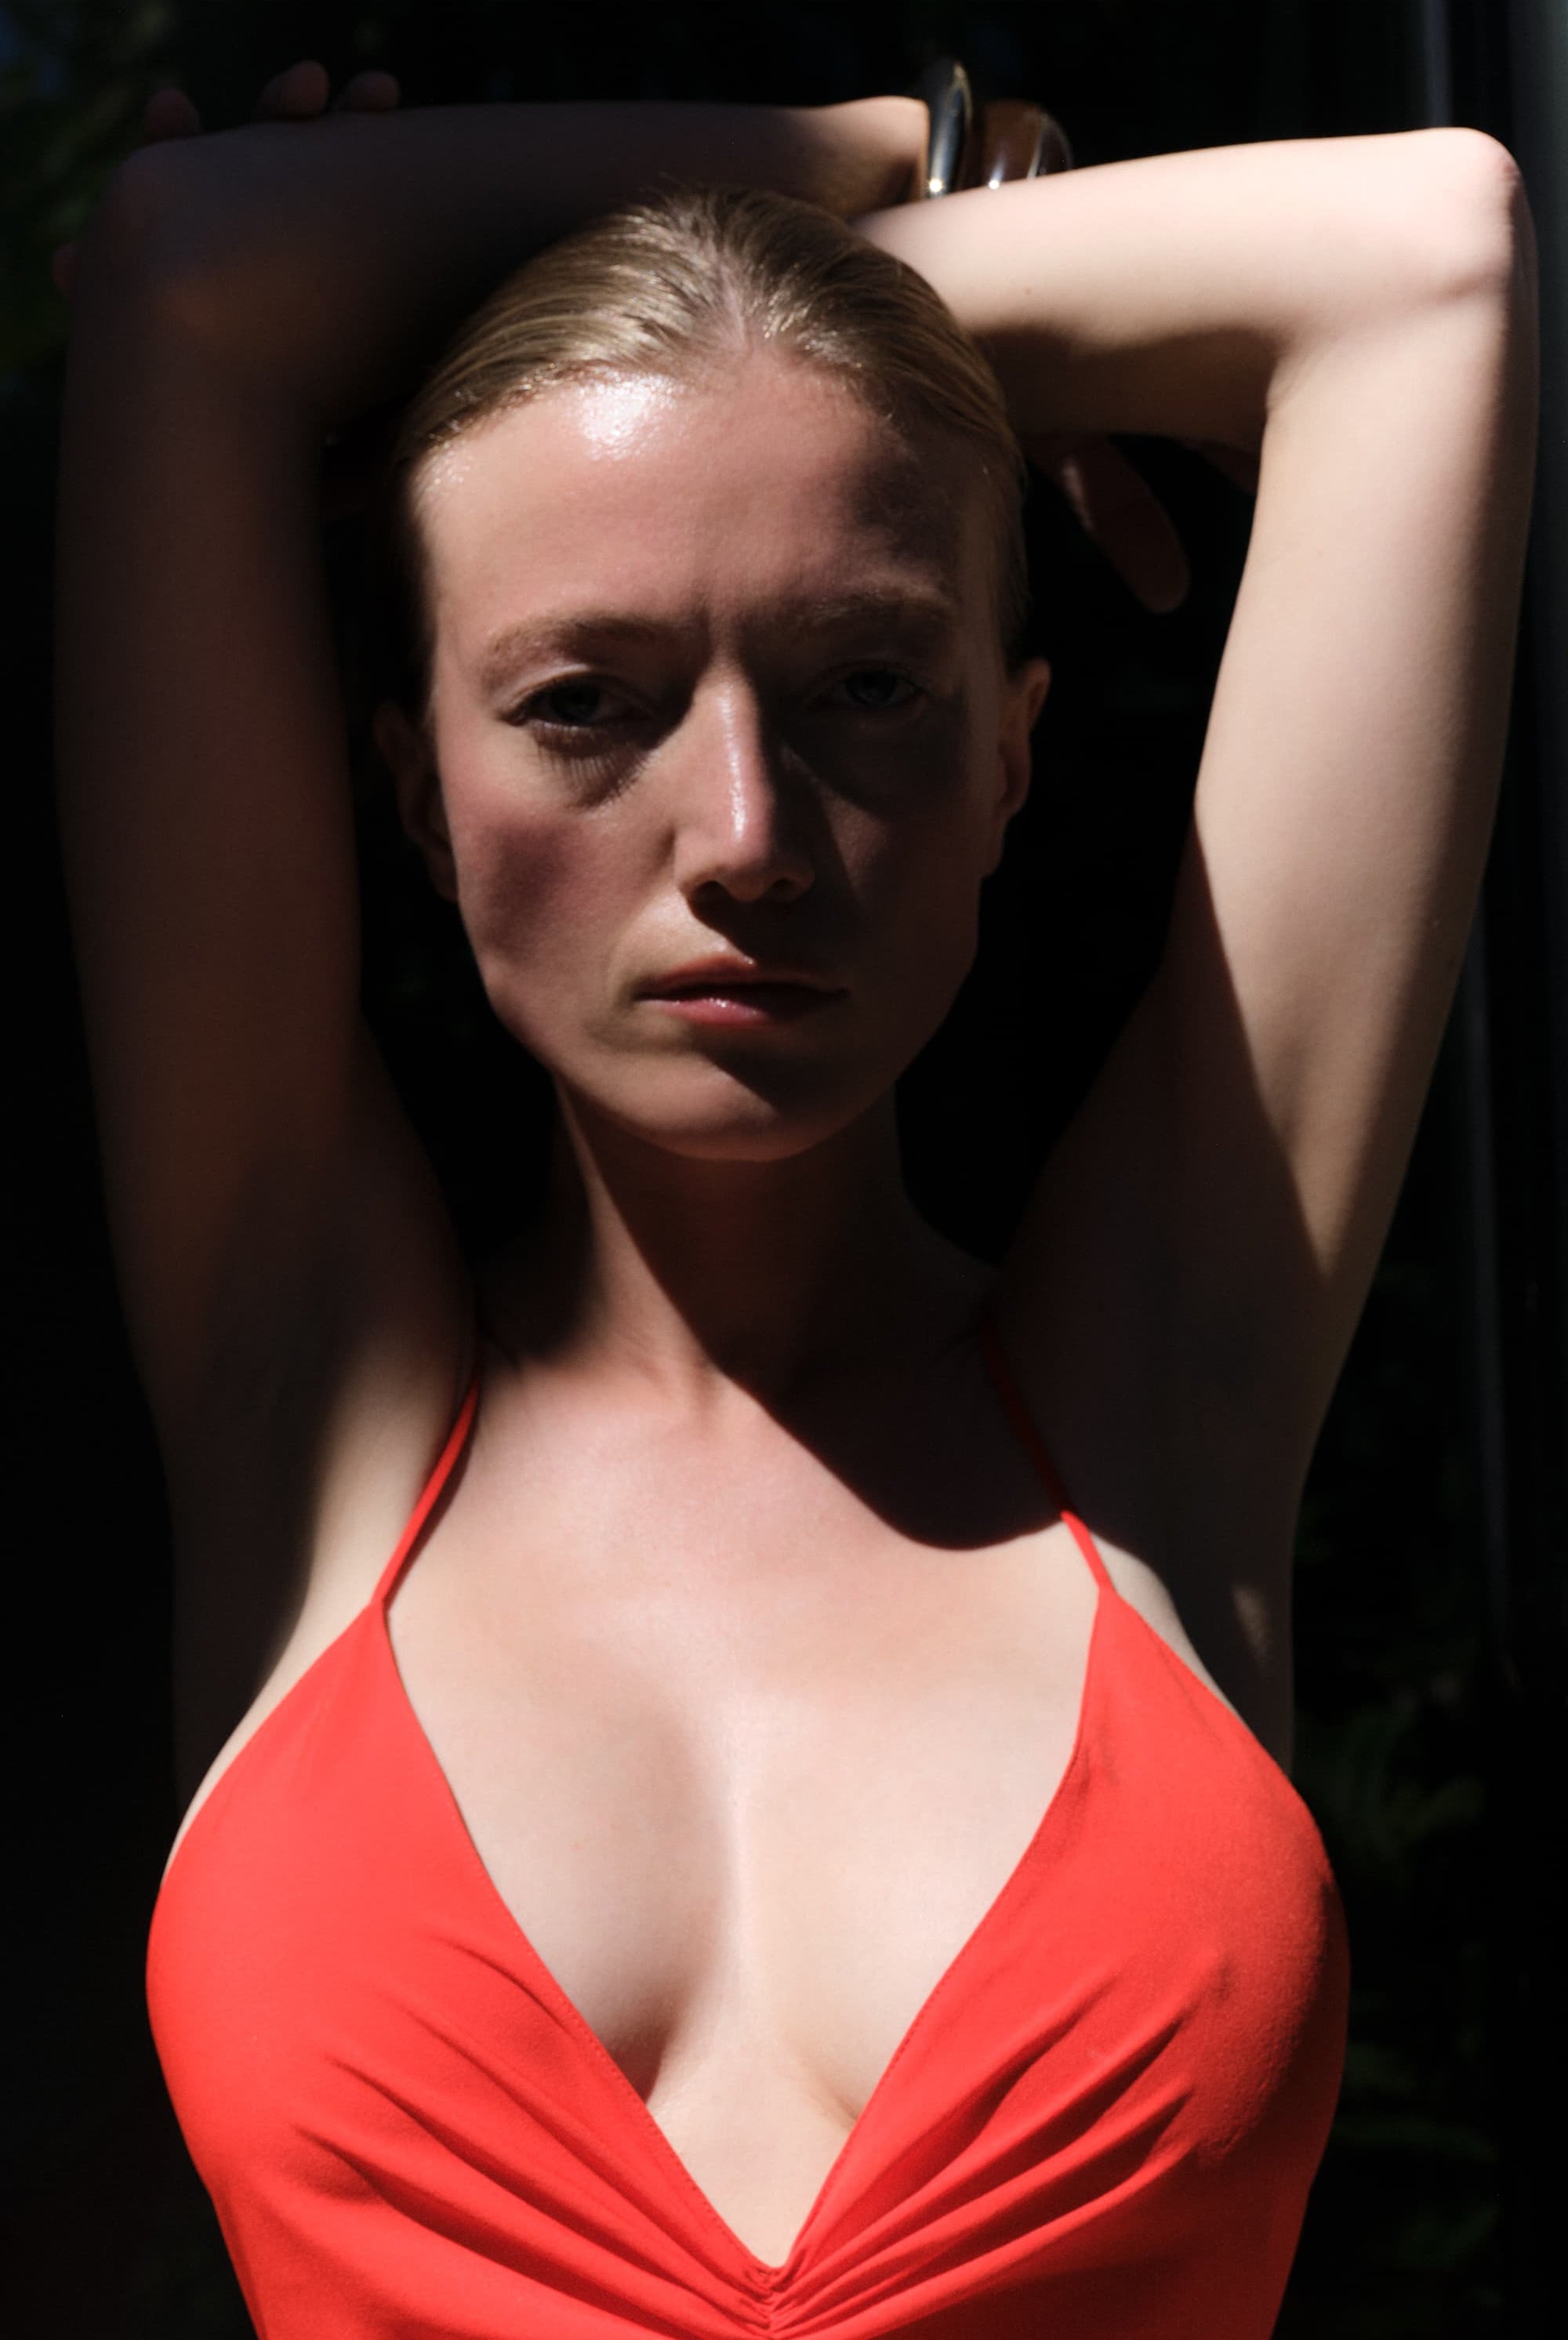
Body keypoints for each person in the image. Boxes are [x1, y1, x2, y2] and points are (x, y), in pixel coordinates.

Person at [55, 55, 1537, 2340]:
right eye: (587, 699)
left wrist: (827, 328)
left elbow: (1429, 257)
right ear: (410, 789)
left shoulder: (1157, 1394)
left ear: (1011, 753)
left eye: (863, 679)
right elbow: (191, 278)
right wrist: (876, 172)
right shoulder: (313, 1403)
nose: (745, 826)